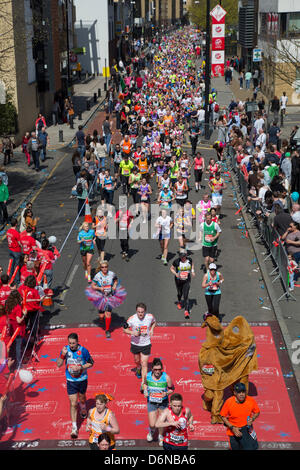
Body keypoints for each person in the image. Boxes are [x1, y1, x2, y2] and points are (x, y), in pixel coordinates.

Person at [57, 332, 94, 439]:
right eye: (70, 343)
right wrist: (62, 355)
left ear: (78, 342)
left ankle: (83, 407)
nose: (71, 345)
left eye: (73, 343)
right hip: (70, 381)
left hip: (82, 379)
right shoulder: (65, 350)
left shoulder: (83, 351)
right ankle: (74, 427)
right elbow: (58, 364)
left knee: (82, 399)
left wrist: (81, 367)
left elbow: (91, 363)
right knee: (73, 404)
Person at [143, 358, 174, 446]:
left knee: (161, 422)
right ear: (152, 369)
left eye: (159, 369)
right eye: (155, 369)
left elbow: (172, 389)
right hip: (151, 402)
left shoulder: (166, 377)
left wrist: (166, 393)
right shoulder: (147, 376)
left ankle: (160, 436)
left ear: (162, 369)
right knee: (152, 424)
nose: (157, 371)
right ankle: (152, 431)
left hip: (163, 403)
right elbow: (145, 384)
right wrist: (145, 391)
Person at [123, 302, 156, 386]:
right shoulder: (132, 319)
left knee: (144, 364)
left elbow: (154, 322)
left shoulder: (149, 317)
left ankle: (143, 383)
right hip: (135, 344)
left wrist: (151, 330)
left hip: (146, 343)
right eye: (138, 312)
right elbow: (124, 329)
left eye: (142, 312)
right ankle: (138, 368)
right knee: (137, 361)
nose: (140, 314)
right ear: (136, 311)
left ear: (145, 311)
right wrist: (132, 332)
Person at [220, 382, 260, 450]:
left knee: (252, 448)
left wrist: (252, 419)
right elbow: (222, 416)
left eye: (243, 392)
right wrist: (232, 428)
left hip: (247, 429)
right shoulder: (229, 402)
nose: (241, 394)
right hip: (233, 430)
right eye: (239, 392)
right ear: (235, 393)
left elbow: (257, 412)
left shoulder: (251, 400)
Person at [90, 261, 118, 338]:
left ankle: (107, 330)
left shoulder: (112, 274)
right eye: (102, 267)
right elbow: (92, 286)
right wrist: (99, 288)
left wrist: (114, 286)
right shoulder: (97, 276)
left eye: (106, 267)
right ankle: (101, 315)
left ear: (107, 267)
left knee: (108, 314)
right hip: (101, 296)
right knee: (102, 315)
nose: (104, 268)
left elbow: (115, 280)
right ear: (100, 268)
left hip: (110, 296)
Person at [170, 249, 195, 319]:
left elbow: (192, 264)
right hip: (178, 280)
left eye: (183, 257)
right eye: (181, 257)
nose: (182, 258)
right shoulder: (177, 261)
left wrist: (192, 271)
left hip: (187, 280)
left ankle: (186, 311)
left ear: (186, 255)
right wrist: (176, 274)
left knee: (186, 295)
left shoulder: (189, 260)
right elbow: (171, 268)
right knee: (179, 293)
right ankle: (179, 301)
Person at [6, 218, 21, 282]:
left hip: (10, 249)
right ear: (16, 224)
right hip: (16, 250)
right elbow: (19, 243)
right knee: (17, 266)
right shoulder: (16, 233)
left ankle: (10, 277)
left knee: (11, 264)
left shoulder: (8, 231)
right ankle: (17, 279)